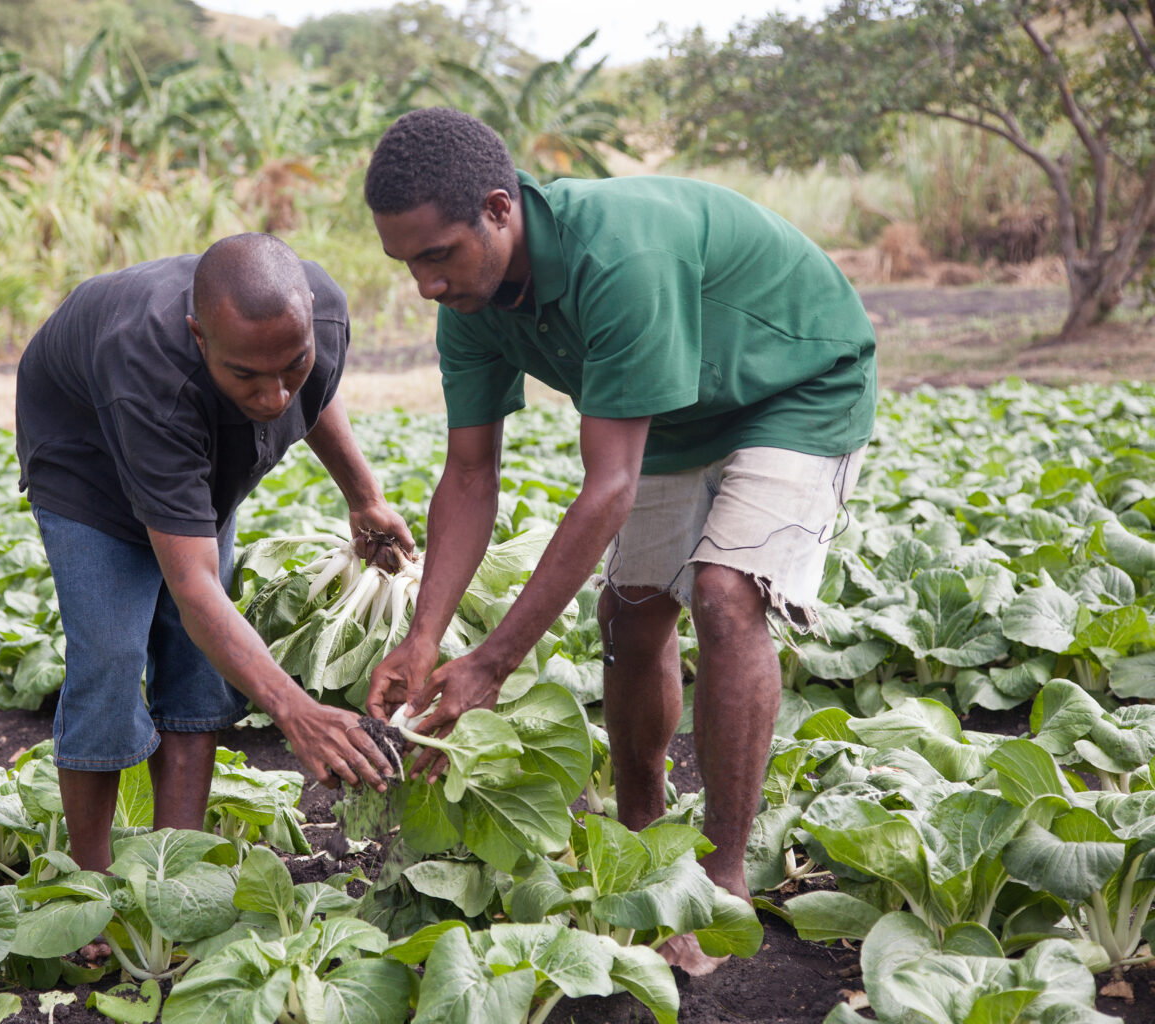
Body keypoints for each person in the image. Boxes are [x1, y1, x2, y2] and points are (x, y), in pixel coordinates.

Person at [362, 108, 875, 974]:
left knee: (723, 594)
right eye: (405, 263)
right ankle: (637, 839)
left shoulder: (618, 257)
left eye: (437, 255)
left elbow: (607, 488)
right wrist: (425, 637)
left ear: (498, 208)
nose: (424, 285)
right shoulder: (473, 303)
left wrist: (492, 663)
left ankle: (718, 880)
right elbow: (468, 477)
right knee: (633, 613)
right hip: (675, 406)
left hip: (796, 388)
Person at [15, 232, 413, 875]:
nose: (275, 397)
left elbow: (313, 394)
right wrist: (294, 711)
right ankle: (90, 883)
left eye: (292, 364)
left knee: (198, 672)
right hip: (85, 462)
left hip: (190, 446)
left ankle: (177, 870)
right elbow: (195, 588)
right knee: (111, 657)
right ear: (201, 338)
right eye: (247, 376)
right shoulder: (147, 370)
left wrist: (364, 495)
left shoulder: (321, 315)